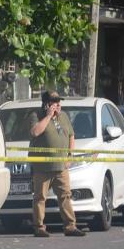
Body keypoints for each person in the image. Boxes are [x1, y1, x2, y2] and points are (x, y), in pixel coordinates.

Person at [28, 90, 86, 238]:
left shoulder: (64, 116)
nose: (59, 105)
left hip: (61, 167)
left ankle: (70, 226)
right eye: (55, 103)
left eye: (59, 103)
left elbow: (71, 135)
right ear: (47, 104)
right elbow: (35, 132)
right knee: (40, 197)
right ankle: (39, 227)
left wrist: (69, 156)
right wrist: (48, 116)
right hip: (42, 167)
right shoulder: (36, 115)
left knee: (65, 196)